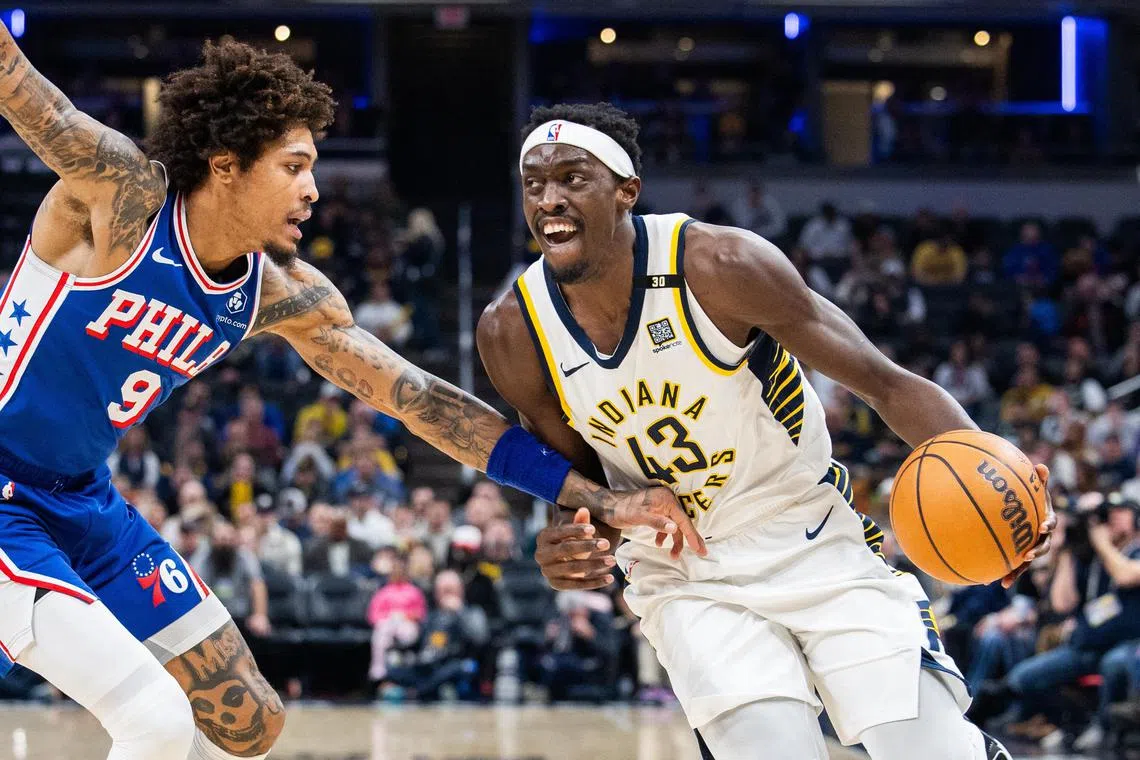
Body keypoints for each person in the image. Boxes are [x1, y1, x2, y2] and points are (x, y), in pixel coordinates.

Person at [0, 32, 698, 760]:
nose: (314, 189)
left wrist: (598, 497)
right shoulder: (122, 200)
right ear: (226, 166)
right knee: (157, 723)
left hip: (82, 501)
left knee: (247, 724)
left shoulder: (279, 292)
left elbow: (424, 402)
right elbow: (17, 81)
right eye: (294, 167)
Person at [477, 102, 1059, 760]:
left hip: (808, 535)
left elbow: (886, 383)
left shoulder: (721, 265)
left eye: (573, 179)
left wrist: (996, 479)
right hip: (686, 571)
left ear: (626, 191)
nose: (549, 199)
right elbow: (580, 485)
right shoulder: (514, 331)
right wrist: (572, 541)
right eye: (534, 183)